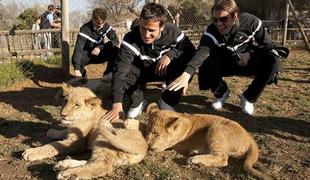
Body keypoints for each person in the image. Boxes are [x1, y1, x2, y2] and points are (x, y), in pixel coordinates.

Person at [168, 0, 284, 115]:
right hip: (224, 62)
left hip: (246, 61)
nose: (218, 23)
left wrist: (249, 54)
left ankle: (249, 98)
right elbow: (201, 52)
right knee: (206, 63)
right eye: (215, 20)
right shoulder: (212, 31)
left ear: (235, 16)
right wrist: (186, 74)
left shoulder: (251, 22)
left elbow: (268, 45)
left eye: (223, 19)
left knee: (272, 60)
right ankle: (221, 93)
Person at [103, 3, 195, 121]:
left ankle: (168, 101)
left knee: (187, 68)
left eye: (151, 30)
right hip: (141, 72)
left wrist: (170, 55)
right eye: (143, 28)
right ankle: (137, 101)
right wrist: (117, 103)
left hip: (165, 70)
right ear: (140, 22)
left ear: (162, 27)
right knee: (122, 71)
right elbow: (121, 70)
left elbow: (190, 50)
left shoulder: (172, 31)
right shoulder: (130, 38)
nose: (146, 35)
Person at [72, 8, 119, 78]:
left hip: (100, 52)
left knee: (116, 51)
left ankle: (107, 77)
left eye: (104, 23)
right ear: (93, 19)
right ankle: (82, 77)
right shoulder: (85, 29)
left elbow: (115, 40)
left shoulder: (106, 26)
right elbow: (78, 48)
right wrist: (76, 69)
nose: (102, 25)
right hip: (88, 54)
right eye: (99, 23)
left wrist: (100, 47)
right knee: (75, 58)